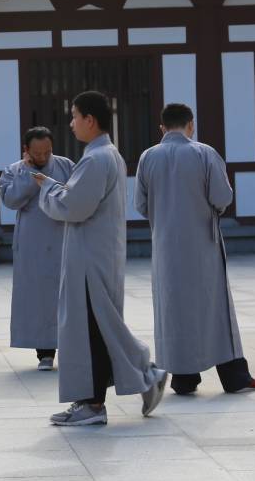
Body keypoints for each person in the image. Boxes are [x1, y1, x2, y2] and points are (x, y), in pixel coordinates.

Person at [37, 92, 164, 426]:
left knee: (90, 329)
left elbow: (73, 206)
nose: (72, 122)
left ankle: (94, 403)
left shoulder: (96, 159)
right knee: (103, 326)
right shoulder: (108, 155)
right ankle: (142, 375)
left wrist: (47, 191)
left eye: (75, 115)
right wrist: (56, 187)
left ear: (90, 120)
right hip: (99, 252)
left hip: (89, 258)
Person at [136, 103, 255, 395]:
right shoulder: (204, 153)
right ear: (191, 125)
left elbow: (141, 206)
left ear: (162, 128)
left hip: (166, 246)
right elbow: (221, 197)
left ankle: (184, 377)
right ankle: (234, 377)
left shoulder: (148, 157)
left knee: (174, 311)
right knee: (214, 308)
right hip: (202, 242)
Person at [0, 126, 74, 370]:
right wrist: (30, 175)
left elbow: (75, 196)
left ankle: (71, 348)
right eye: (37, 153)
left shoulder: (66, 165)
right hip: (31, 242)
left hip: (62, 236)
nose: (43, 157)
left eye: (47, 152)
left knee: (65, 297)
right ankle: (44, 353)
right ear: (27, 151)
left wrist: (50, 185)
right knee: (38, 298)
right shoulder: (14, 170)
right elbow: (11, 200)